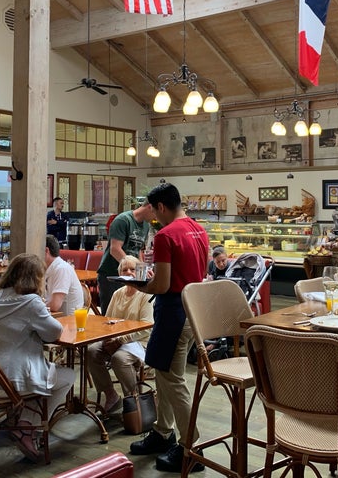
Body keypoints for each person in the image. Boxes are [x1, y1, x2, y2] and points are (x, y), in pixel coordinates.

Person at [128, 182, 209, 473]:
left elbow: (161, 284)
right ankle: (163, 433)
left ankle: (191, 447)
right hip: (193, 309)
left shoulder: (165, 235)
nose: (153, 218)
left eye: (153, 212)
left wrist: (137, 286)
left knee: (173, 379)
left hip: (173, 310)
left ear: (161, 206)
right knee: (163, 373)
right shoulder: (198, 229)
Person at [0, 253, 74, 461]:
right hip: (8, 379)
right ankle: (27, 426)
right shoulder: (31, 302)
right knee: (67, 375)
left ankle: (19, 417)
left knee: (42, 369)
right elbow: (54, 333)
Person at [87, 255, 153, 414]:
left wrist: (120, 340)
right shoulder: (118, 293)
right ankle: (111, 395)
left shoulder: (146, 294)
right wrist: (109, 338)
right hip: (116, 339)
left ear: (139, 273)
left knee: (119, 359)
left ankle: (133, 400)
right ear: (119, 273)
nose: (129, 272)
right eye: (125, 269)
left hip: (140, 342)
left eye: (132, 269)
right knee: (91, 351)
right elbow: (107, 321)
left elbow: (147, 327)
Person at [96, 200, 155, 314]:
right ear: (149, 207)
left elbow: (137, 250)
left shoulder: (146, 225)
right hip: (112, 275)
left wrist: (143, 270)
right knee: (110, 316)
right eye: (155, 212)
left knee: (128, 314)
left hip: (132, 276)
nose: (156, 217)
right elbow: (115, 249)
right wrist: (135, 268)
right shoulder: (123, 220)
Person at [44, 235, 84, 315]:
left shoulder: (62, 269)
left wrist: (35, 306)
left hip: (68, 321)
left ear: (46, 250)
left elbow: (55, 305)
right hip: (54, 317)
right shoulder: (51, 267)